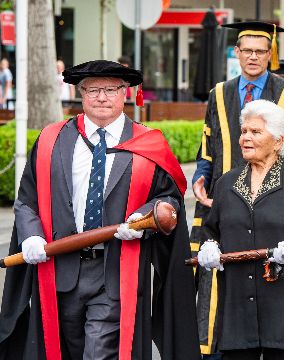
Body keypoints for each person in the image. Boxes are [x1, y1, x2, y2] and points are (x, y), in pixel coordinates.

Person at [0, 60, 200, 359]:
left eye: (110, 89)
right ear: (80, 93)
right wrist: (31, 237)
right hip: (60, 270)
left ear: (126, 94)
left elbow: (169, 199)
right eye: (93, 89)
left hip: (116, 271)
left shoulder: (148, 144)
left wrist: (144, 217)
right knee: (64, 350)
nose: (102, 97)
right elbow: (27, 199)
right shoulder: (52, 140)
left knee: (100, 351)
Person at [190, 21, 284, 358]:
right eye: (246, 50)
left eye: (260, 51)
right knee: (222, 270)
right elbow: (210, 143)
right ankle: (223, 344)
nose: (252, 57)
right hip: (224, 199)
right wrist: (202, 175)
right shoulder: (218, 92)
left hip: (276, 204)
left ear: (270, 54)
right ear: (237, 53)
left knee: (275, 277)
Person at [196, 99, 284, 360]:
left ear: (278, 141)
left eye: (256, 132)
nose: (245, 138)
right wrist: (210, 246)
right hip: (237, 307)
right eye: (244, 131)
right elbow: (210, 231)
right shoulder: (226, 184)